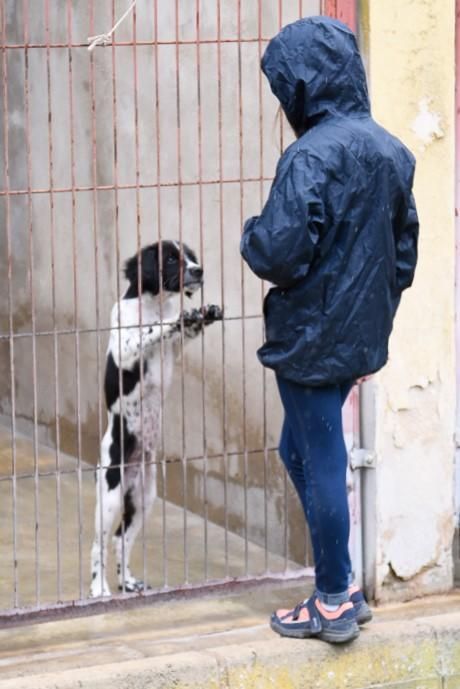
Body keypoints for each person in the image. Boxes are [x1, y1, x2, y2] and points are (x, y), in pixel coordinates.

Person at [240, 16, 418, 644]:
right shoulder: (393, 150)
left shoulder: (309, 156)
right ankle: (340, 583)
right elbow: (404, 257)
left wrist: (250, 235)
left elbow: (278, 253)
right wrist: (372, 321)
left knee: (318, 459)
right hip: (357, 339)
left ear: (306, 84)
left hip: (312, 340)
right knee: (303, 452)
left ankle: (334, 601)